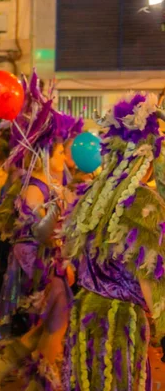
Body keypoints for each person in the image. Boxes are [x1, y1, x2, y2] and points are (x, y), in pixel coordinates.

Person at [0, 71, 82, 390]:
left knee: (45, 331)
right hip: (36, 269)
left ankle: (13, 369)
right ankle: (27, 374)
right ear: (44, 155)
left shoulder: (52, 184)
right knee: (50, 327)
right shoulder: (35, 189)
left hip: (50, 266)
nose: (63, 157)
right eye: (57, 152)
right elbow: (33, 234)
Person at [63, 93, 165, 390]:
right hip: (119, 322)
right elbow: (148, 275)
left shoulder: (94, 193)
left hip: (85, 311)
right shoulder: (143, 202)